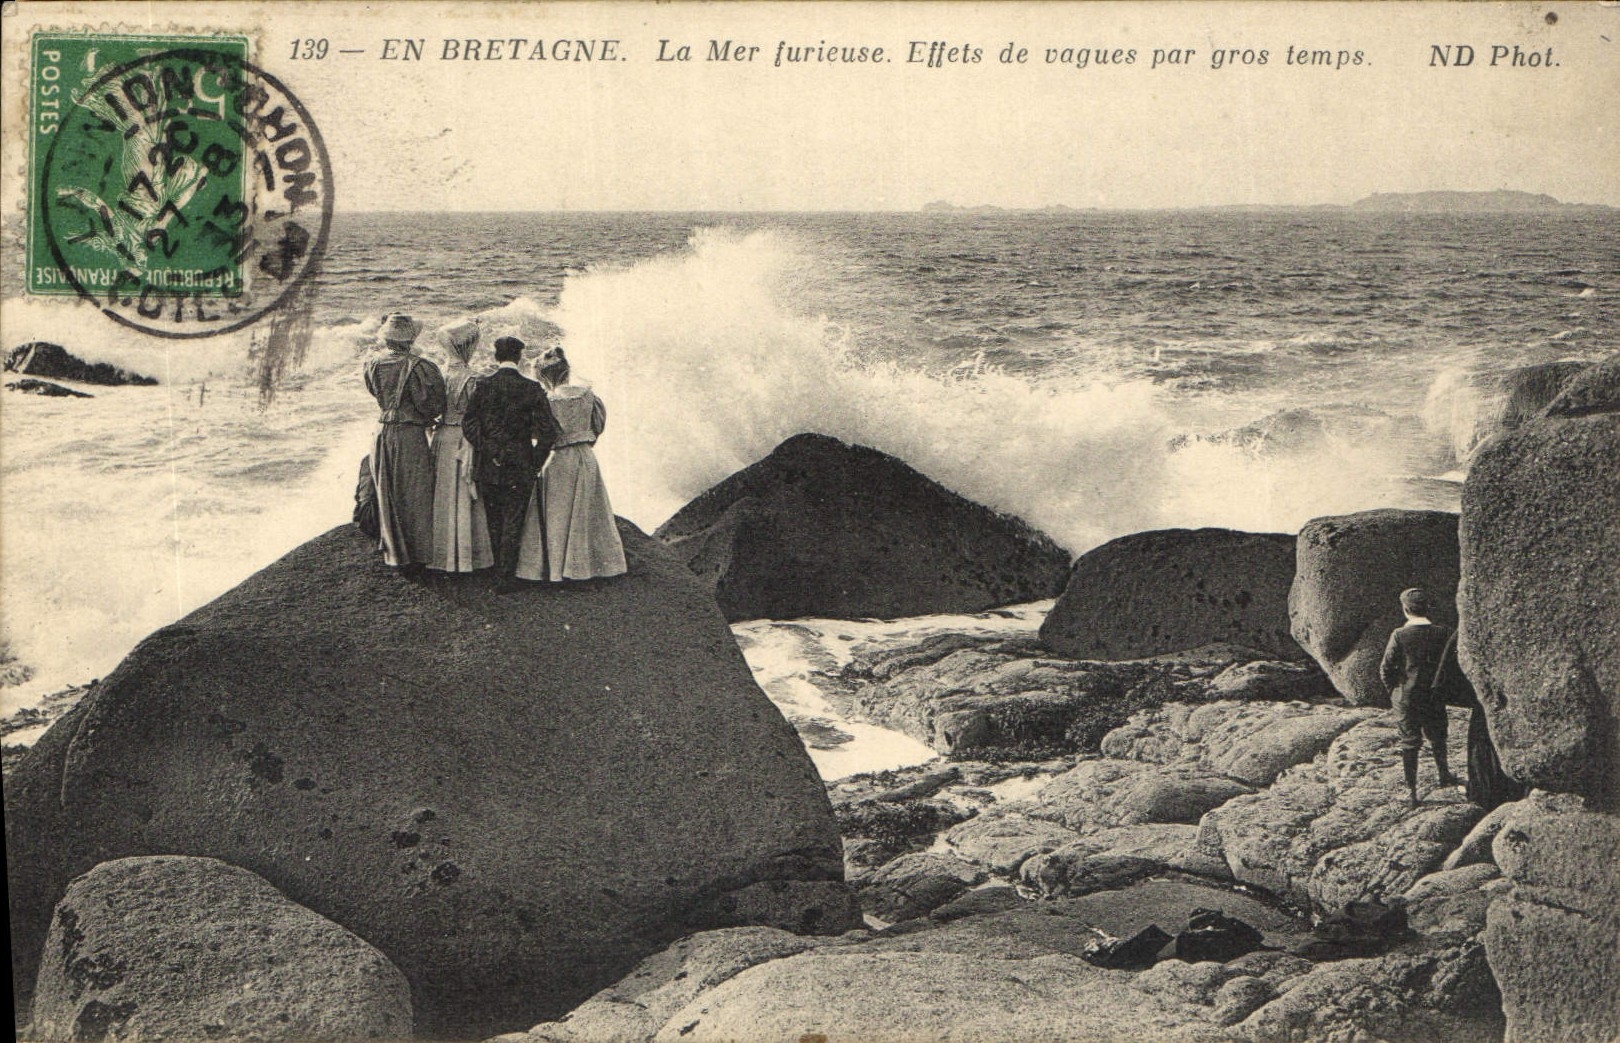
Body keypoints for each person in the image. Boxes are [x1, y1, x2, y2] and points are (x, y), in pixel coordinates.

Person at [515, 347, 627, 582]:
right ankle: (589, 567)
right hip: (585, 456)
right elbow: (598, 426)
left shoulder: (547, 401)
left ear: (544, 377)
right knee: (586, 511)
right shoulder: (589, 396)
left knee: (557, 515)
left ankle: (556, 570)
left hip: (558, 459)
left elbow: (538, 434)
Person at [462, 336, 556, 591]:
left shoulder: (483, 386)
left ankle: (498, 574)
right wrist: (535, 462)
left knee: (494, 518)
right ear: (519, 358)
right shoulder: (533, 388)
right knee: (514, 519)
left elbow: (468, 423)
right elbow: (549, 432)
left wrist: (487, 447)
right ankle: (507, 576)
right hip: (521, 464)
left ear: (496, 357)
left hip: (489, 463)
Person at [364, 314, 446, 572]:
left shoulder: (372, 363)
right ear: (410, 339)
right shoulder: (421, 366)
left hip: (381, 430)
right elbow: (432, 404)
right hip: (409, 432)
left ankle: (394, 551)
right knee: (415, 493)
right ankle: (417, 554)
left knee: (387, 490)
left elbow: (374, 391)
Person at [1379, 587, 1459, 807]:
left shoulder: (1399, 635)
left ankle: (1411, 793)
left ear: (1405, 609)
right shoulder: (1443, 632)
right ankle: (1444, 776)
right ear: (1427, 609)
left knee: (1410, 742)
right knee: (1438, 736)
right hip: (1434, 694)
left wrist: (1394, 691)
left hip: (1407, 696)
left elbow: (1385, 668)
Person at [1433, 630, 1527, 811]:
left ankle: (1486, 799)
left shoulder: (1468, 629)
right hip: (1515, 706)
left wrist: (1476, 697)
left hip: (1486, 707)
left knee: (1485, 755)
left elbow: (1444, 682)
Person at [428, 320, 494, 573]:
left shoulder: (438, 375)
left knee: (443, 493)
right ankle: (469, 557)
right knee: (467, 495)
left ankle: (440, 555)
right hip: (467, 438)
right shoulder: (475, 379)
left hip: (443, 436)